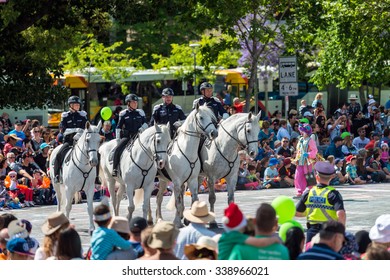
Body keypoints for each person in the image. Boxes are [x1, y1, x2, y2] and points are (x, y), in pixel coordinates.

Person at [295, 161, 346, 243]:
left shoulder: (308, 193)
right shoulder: (333, 194)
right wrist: (341, 231)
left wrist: (311, 212)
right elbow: (340, 214)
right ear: (331, 177)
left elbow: (297, 212)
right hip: (329, 232)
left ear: (316, 177)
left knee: (311, 253)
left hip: (312, 231)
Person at [112, 93, 148, 177]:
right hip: (127, 137)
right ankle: (115, 169)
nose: (135, 104)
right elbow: (118, 127)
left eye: (136, 102)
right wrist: (117, 140)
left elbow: (146, 123)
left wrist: (142, 128)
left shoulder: (140, 113)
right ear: (128, 103)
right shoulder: (123, 114)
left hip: (138, 137)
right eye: (133, 102)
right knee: (117, 149)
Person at [53, 96, 87, 183]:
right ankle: (57, 175)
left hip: (80, 141)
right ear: (71, 105)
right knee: (59, 154)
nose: (78, 106)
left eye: (79, 105)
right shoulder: (65, 116)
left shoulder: (82, 115)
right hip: (69, 141)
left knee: (94, 153)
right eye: (76, 105)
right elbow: (62, 130)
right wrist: (76, 130)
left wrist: (79, 133)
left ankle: (96, 177)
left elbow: (85, 128)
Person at [293, 123, 318, 197]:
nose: (301, 132)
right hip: (300, 160)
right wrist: (296, 158)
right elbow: (298, 150)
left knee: (308, 175)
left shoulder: (310, 140)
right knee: (298, 176)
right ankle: (299, 191)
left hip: (307, 161)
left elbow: (314, 150)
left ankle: (312, 189)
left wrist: (309, 154)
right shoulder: (300, 139)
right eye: (300, 131)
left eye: (302, 131)